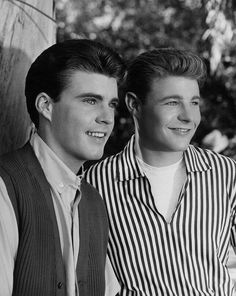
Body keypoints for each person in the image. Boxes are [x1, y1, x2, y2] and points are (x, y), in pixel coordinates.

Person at [85, 48, 236, 295]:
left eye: (194, 103)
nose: (189, 116)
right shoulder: (95, 184)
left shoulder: (227, 174)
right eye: (173, 102)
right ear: (134, 104)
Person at [0, 39, 125, 296]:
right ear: (46, 106)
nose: (107, 117)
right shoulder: (6, 186)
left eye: (112, 104)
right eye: (91, 101)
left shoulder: (94, 202)